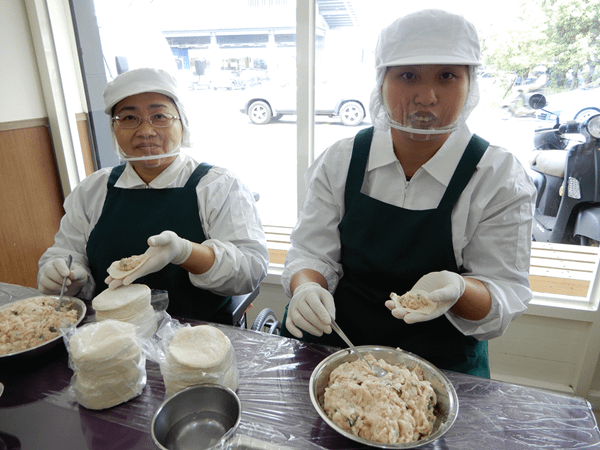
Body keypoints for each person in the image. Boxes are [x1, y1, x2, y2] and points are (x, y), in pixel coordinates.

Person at [280, 9, 536, 377]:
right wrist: (305, 287)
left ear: (471, 85)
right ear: (381, 82)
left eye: (447, 76)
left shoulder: (497, 176)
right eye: (408, 75)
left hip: (443, 366)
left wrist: (459, 290)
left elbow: (502, 295)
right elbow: (311, 251)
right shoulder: (342, 159)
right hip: (338, 347)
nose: (426, 97)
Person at [38, 67, 269, 321]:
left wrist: (185, 252)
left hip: (198, 337)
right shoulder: (93, 189)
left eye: (159, 116)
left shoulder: (219, 186)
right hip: (108, 338)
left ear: (182, 122)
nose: (146, 131)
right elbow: (66, 252)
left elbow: (250, 269)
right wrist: (64, 275)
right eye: (128, 118)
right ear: (114, 129)